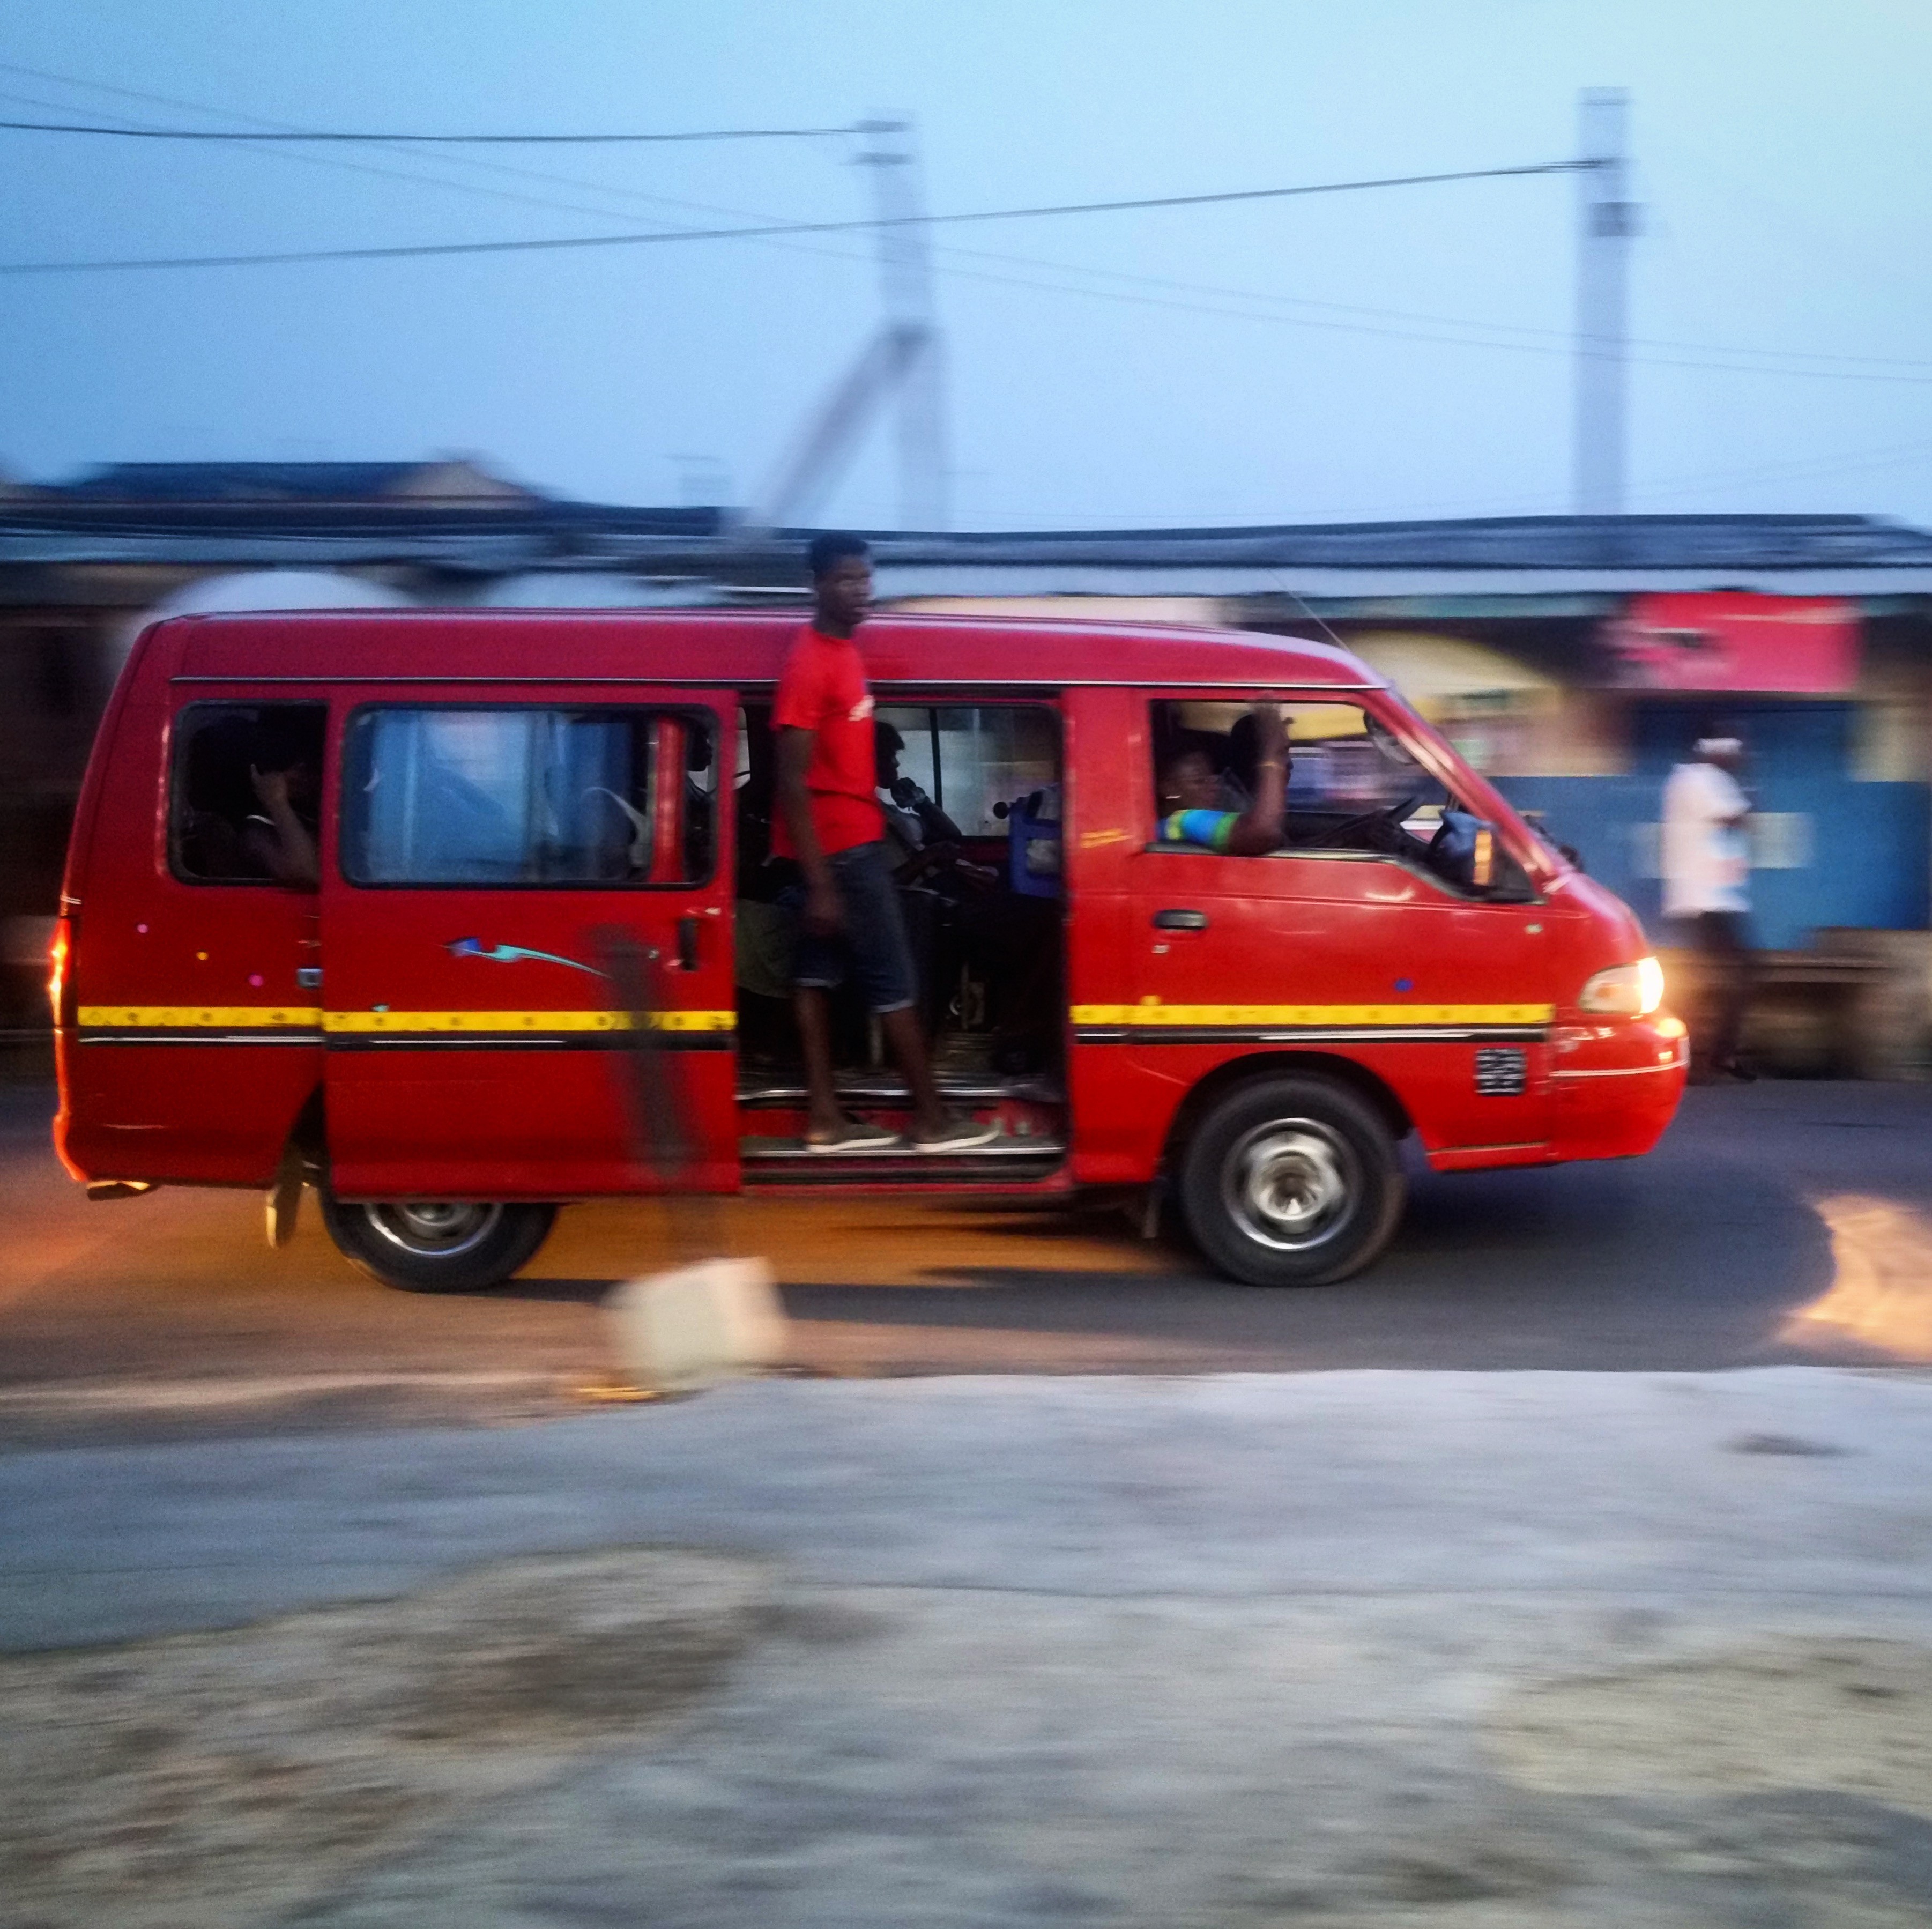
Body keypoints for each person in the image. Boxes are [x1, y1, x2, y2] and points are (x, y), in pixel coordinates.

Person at [773, 533, 995, 1153]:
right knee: (895, 979)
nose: (861, 590)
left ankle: (825, 1119)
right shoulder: (810, 662)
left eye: (865, 579)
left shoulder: (843, 653)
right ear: (816, 585)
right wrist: (820, 884)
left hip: (848, 843)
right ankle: (930, 1118)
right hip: (843, 851)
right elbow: (792, 779)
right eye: (846, 580)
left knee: (815, 977)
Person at [1662, 728, 1756, 1082]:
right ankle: (1711, 1055)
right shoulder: (1699, 778)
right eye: (1734, 751)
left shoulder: (1698, 779)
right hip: (1704, 900)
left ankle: (1710, 1055)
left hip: (1711, 899)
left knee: (1709, 976)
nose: (1738, 757)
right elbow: (1737, 817)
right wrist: (1750, 788)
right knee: (1737, 971)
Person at [1156, 702, 1289, 853]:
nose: (1215, 786)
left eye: (1213, 777)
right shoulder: (1182, 821)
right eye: (1199, 780)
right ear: (1169, 788)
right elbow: (1262, 832)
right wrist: (1272, 752)